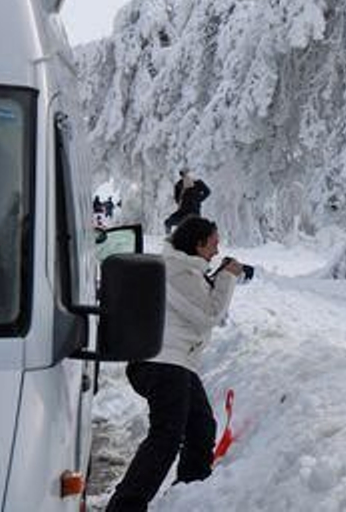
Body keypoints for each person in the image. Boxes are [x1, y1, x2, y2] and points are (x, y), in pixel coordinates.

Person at [106, 216, 242, 512]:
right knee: (166, 436)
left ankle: (189, 497)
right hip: (164, 362)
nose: (216, 252)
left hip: (173, 362)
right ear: (198, 243)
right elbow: (209, 315)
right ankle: (125, 507)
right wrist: (228, 277)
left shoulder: (186, 271)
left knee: (201, 427)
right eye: (214, 244)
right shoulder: (179, 272)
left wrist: (217, 278)